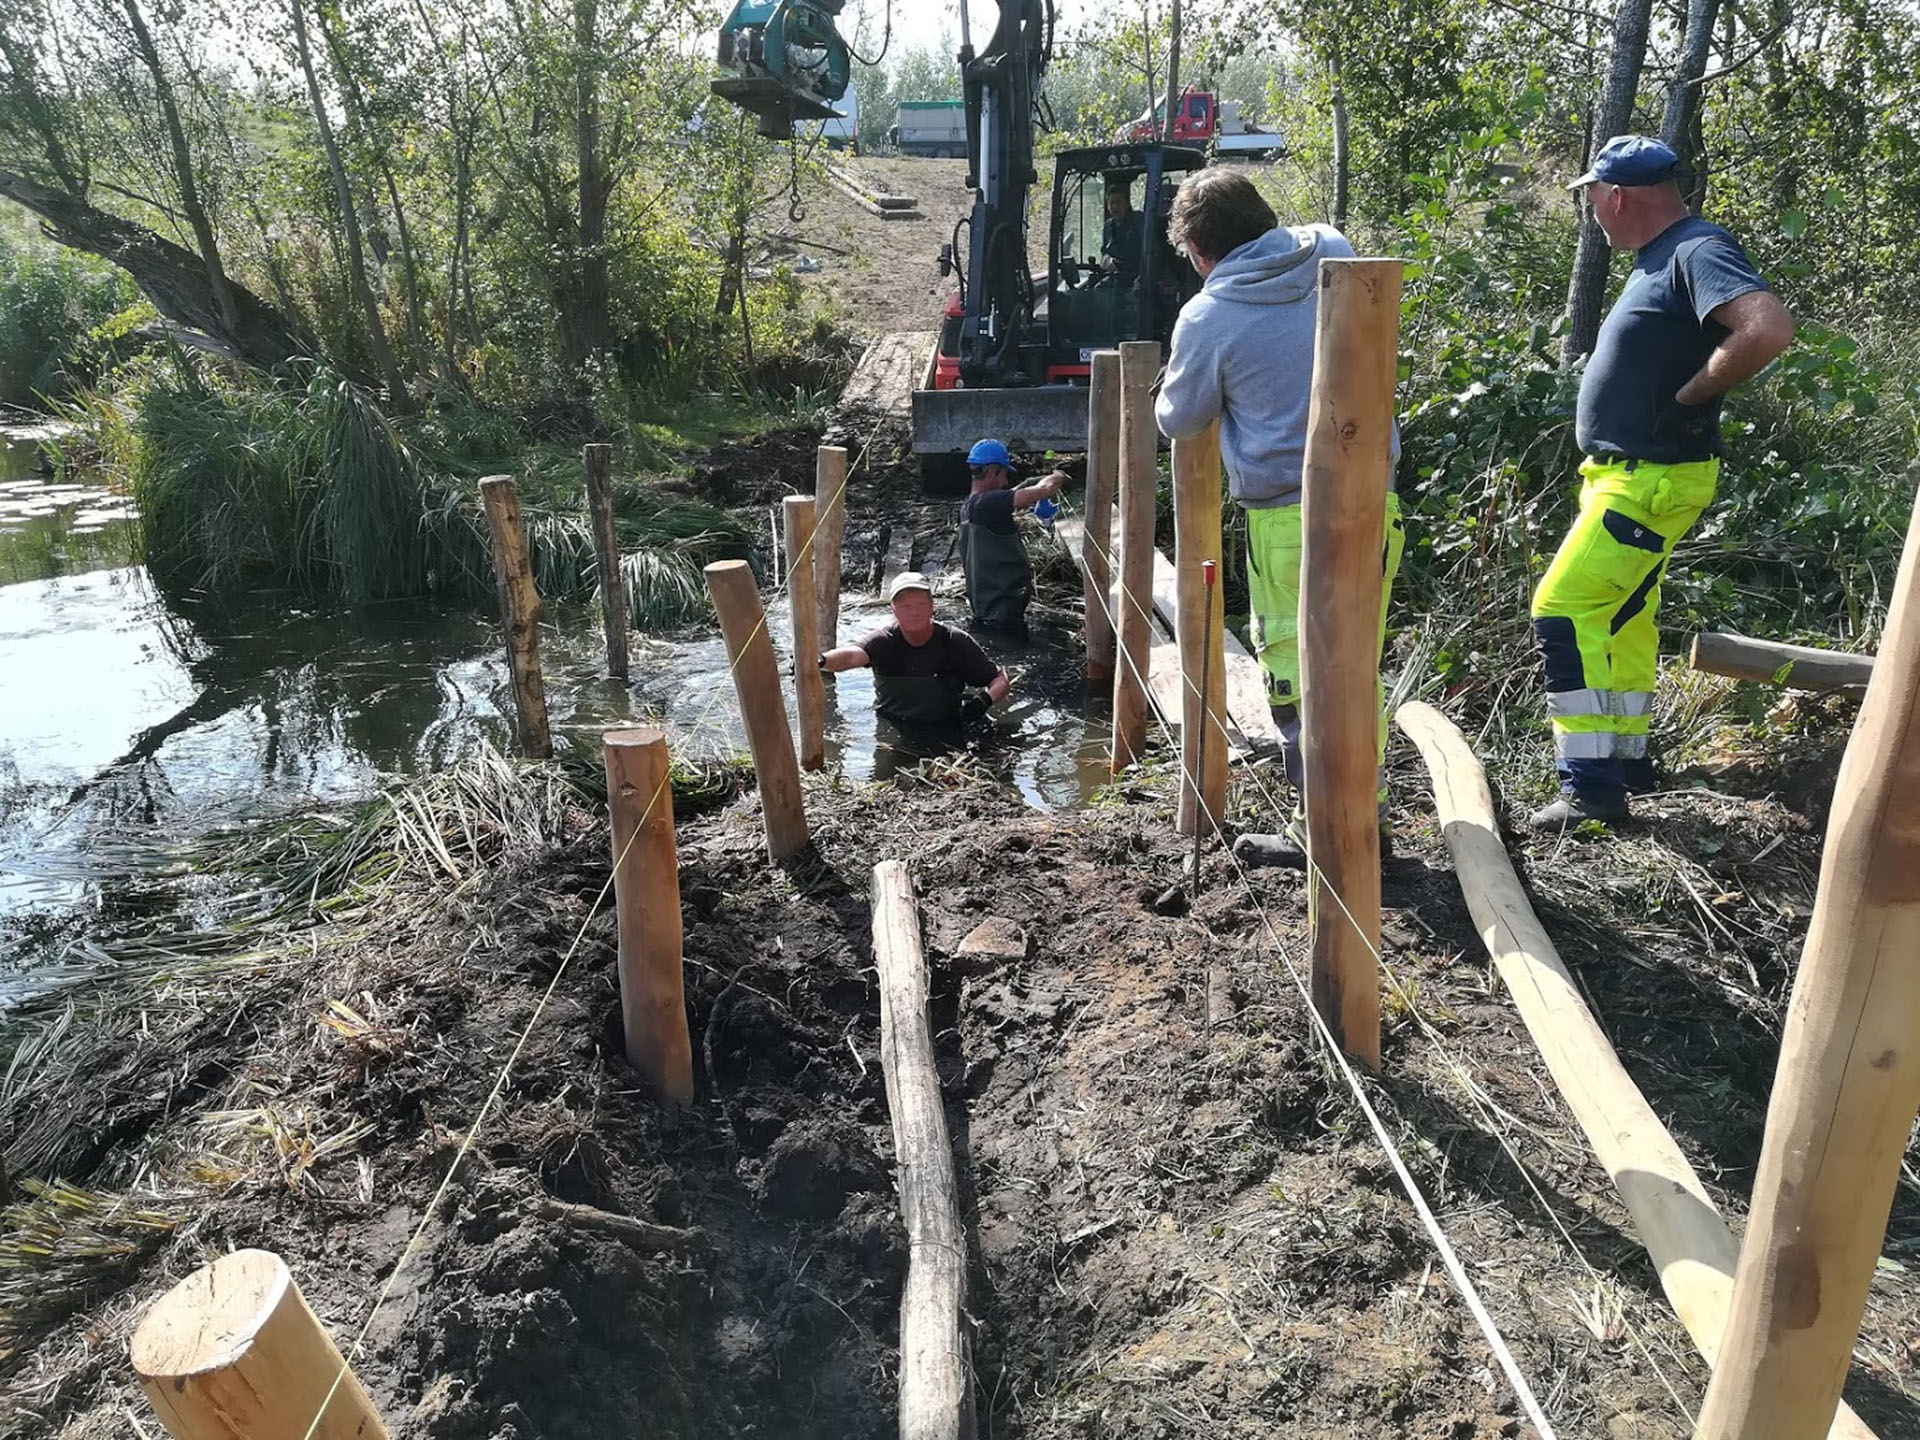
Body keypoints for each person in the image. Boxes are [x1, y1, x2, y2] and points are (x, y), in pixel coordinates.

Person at [1529, 135, 1794, 829]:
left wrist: (1691, 395)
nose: (1592, 211)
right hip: (1631, 477)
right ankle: (1628, 764)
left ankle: (1590, 788)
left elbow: (1765, 329)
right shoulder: (1665, 255)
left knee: (1562, 609)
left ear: (1615, 196)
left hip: (1648, 480)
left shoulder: (1696, 249)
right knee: (1621, 618)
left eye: (1592, 198)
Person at [1154, 168, 1403, 866]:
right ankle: (1366, 816)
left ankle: (1325, 835)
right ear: (1265, 218)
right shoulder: (1333, 247)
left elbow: (1179, 416)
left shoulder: (1208, 315)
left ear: (1200, 253)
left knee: (1297, 673)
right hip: (1376, 497)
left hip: (1288, 520)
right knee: (1357, 665)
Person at [820, 571, 1011, 727]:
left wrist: (983, 701)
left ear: (931, 607)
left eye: (920, 604)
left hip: (947, 727)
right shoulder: (884, 641)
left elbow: (1000, 680)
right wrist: (821, 661)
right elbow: (852, 657)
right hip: (893, 727)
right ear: (894, 610)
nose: (914, 612)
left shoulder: (954, 641)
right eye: (905, 606)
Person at [957, 438, 1065, 636]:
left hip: (985, 608)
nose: (1005, 482)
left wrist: (1027, 484)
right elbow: (1045, 490)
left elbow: (1009, 495)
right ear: (991, 471)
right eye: (1004, 474)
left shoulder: (969, 507)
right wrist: (1059, 475)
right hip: (1003, 609)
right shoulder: (988, 503)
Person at [1101, 178, 1146, 283]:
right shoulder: (1108, 226)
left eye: (1119, 202)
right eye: (1112, 203)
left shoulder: (1138, 220)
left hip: (1138, 277)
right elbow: (1104, 253)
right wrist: (1108, 261)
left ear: (1126, 204)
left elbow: (1149, 251)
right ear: (1108, 206)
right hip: (1116, 277)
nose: (1116, 207)